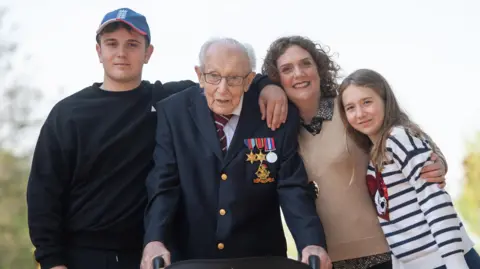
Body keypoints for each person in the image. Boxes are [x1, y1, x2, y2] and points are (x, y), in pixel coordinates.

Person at [26, 8, 288, 269]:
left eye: (132, 44)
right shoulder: (68, 113)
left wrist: (267, 85)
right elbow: (43, 193)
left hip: (150, 254)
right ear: (99, 51)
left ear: (148, 53)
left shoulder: (169, 100)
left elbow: (224, 76)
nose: (121, 53)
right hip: (82, 253)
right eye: (111, 44)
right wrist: (52, 260)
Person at [141, 37, 331, 269]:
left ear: (249, 80)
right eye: (213, 76)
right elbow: (164, 184)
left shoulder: (275, 115)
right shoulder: (173, 112)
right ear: (199, 75)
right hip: (192, 258)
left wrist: (311, 242)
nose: (223, 89)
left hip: (260, 258)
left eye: (233, 78)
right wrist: (154, 239)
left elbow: (292, 186)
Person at [261, 36, 448, 269]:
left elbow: (406, 133)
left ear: (318, 68)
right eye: (287, 69)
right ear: (277, 79)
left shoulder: (350, 109)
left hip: (387, 251)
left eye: (306, 64)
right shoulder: (279, 131)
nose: (298, 73)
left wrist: (437, 161)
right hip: (326, 260)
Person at [337, 68, 479, 269]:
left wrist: (455, 261)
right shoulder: (374, 159)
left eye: (367, 102)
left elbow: (434, 200)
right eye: (350, 107)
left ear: (386, 101)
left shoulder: (399, 138)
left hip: (447, 260)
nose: (360, 114)